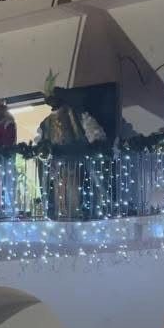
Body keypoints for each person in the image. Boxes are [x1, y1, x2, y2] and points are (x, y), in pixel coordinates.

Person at [36, 72, 106, 219]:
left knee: (76, 194)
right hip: (57, 167)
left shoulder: (76, 114)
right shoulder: (45, 123)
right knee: (59, 196)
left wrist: (92, 146)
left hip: (76, 163)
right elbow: (39, 145)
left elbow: (95, 133)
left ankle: (79, 215)